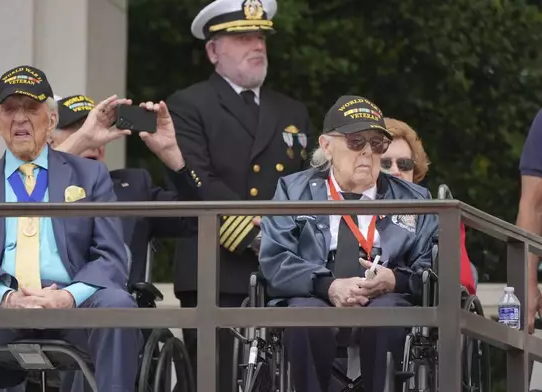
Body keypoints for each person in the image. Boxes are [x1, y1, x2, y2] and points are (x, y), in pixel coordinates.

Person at [0, 65, 141, 392]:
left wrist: (68, 297)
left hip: (74, 310)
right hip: (0, 311)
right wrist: (7, 296)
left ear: (51, 121)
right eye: (10, 109)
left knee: (118, 305)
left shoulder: (90, 177)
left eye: (32, 109)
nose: (21, 118)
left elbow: (111, 257)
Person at [166, 0, 314, 386]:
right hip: (215, 264)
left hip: (283, 267)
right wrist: (255, 234)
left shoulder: (292, 110)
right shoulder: (187, 104)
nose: (258, 44)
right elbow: (196, 177)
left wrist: (283, 239)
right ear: (214, 50)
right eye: (243, 36)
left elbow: (306, 185)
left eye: (261, 36)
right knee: (216, 380)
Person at [259, 96, 438, 392]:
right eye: (356, 142)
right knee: (304, 318)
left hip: (386, 291)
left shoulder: (415, 199)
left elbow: (432, 264)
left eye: (377, 144)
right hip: (313, 289)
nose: (368, 152)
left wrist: (395, 280)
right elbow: (275, 258)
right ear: (327, 145)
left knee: (389, 315)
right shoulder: (293, 190)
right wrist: (327, 285)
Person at [49, 94, 200, 287]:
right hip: (51, 307)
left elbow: (194, 220)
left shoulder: (133, 186)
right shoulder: (31, 186)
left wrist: (173, 157)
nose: (92, 139)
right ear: (50, 142)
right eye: (81, 130)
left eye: (98, 128)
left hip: (120, 310)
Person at [382, 118, 477, 294]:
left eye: (404, 164)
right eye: (385, 164)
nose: (395, 170)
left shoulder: (433, 215)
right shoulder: (354, 208)